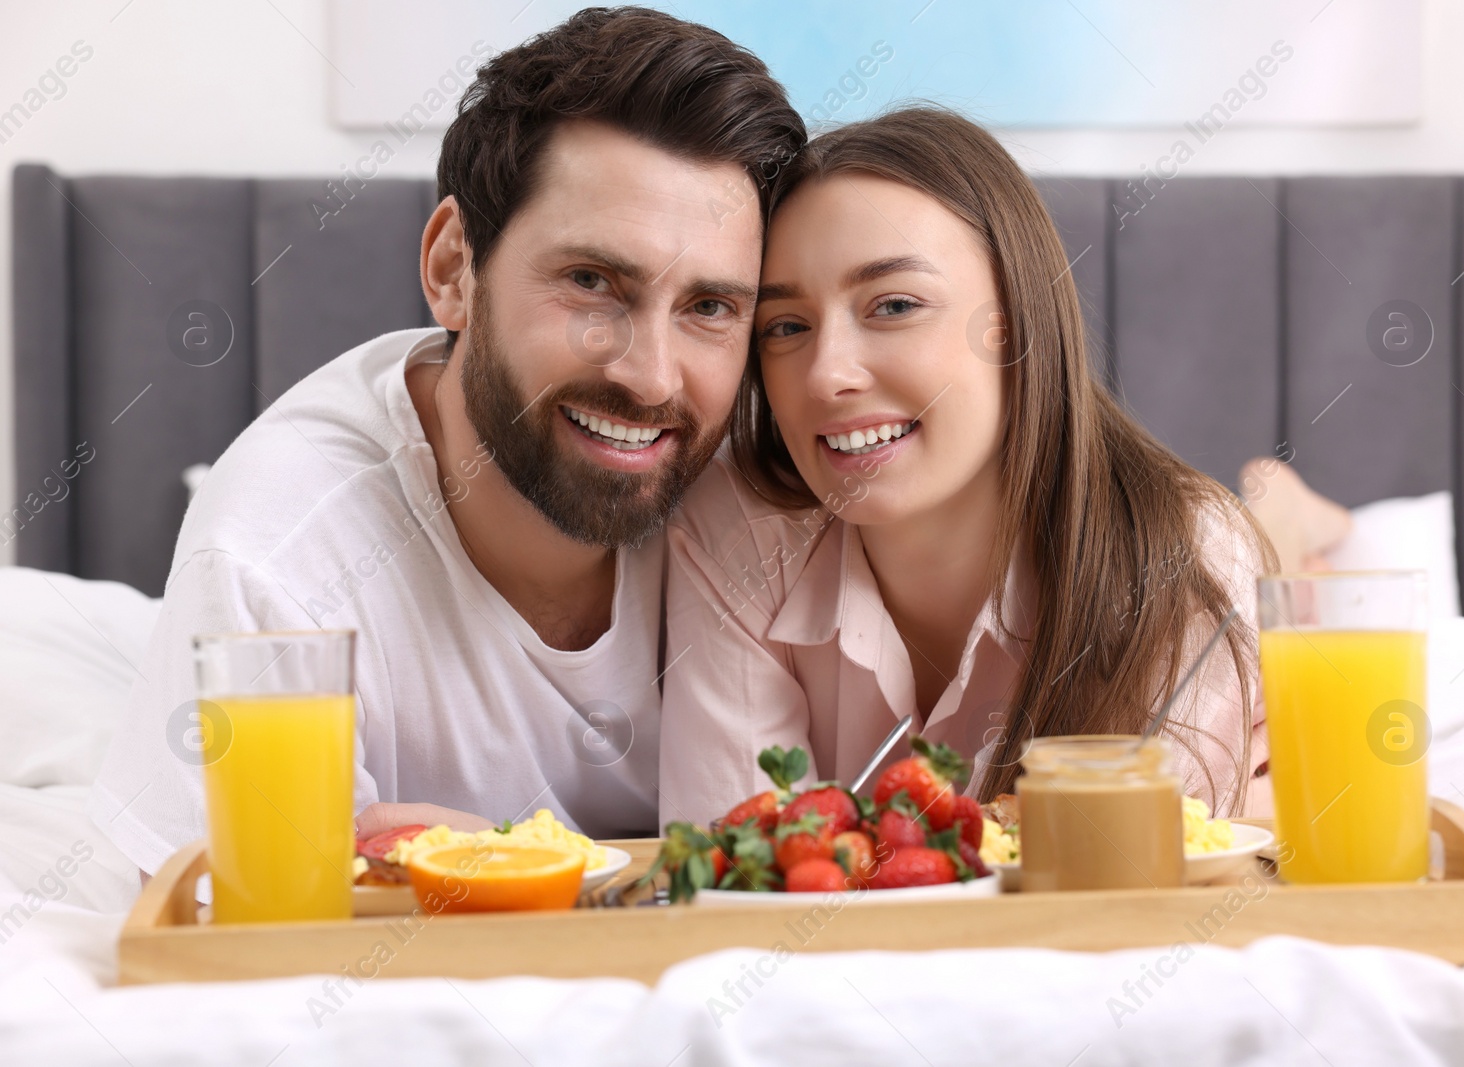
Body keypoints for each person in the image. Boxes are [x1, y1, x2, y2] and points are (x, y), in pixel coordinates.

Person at [90, 7, 805, 876]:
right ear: (451, 269)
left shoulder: (781, 484)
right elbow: (227, 942)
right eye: (592, 282)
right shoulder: (275, 559)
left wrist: (517, 866)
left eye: (709, 307)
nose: (653, 378)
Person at [658, 107, 1279, 828]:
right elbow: (737, 874)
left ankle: (1284, 504)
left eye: (893, 305)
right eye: (786, 326)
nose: (826, 375)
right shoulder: (734, 525)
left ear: (1016, 325)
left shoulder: (1185, 560)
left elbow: (1122, 887)